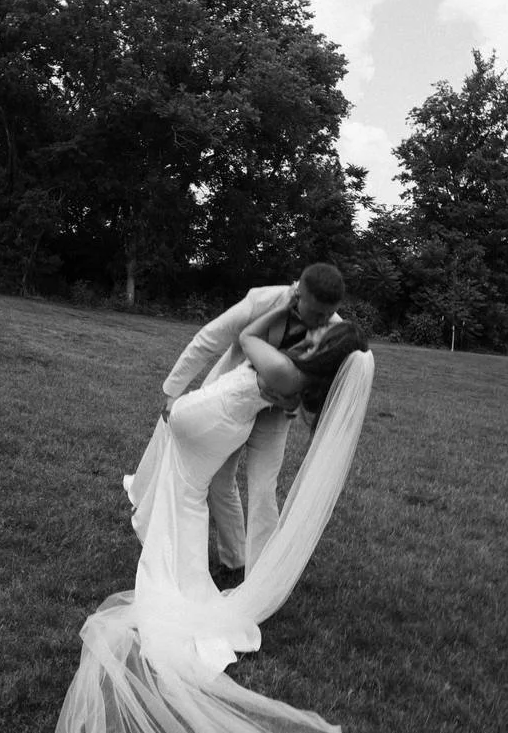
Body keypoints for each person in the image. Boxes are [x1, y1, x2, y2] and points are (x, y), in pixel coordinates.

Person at [56, 288, 375, 733]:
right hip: (230, 413)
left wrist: (279, 320)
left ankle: (240, 572)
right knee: (199, 488)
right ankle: (232, 562)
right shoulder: (306, 358)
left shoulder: (292, 348)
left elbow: (244, 338)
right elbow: (215, 339)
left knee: (216, 489)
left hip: (219, 412)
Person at [162, 262, 345, 579]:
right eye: (315, 314)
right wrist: (172, 389)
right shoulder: (262, 300)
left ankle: (263, 576)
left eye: (326, 316)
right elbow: (210, 337)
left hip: (275, 416)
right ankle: (234, 560)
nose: (320, 323)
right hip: (233, 405)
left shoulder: (334, 328)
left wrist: (296, 399)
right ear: (298, 292)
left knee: (263, 490)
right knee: (219, 481)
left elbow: (325, 382)